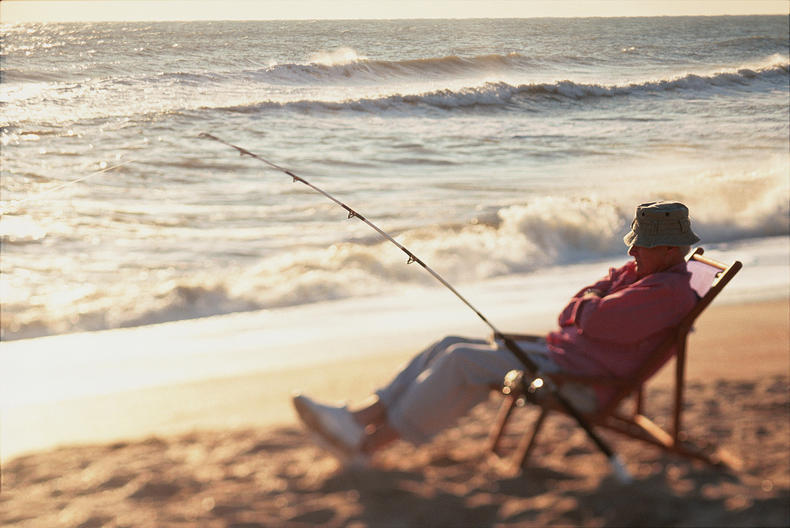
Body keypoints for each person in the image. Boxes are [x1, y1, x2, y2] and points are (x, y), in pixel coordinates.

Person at [292, 200, 701, 465]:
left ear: (669, 249)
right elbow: (572, 312)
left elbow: (589, 317)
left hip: (580, 378)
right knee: (450, 342)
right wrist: (593, 299)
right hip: (562, 355)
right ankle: (359, 417)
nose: (631, 252)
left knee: (461, 361)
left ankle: (367, 446)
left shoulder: (663, 292)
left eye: (641, 246)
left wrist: (592, 300)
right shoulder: (645, 273)